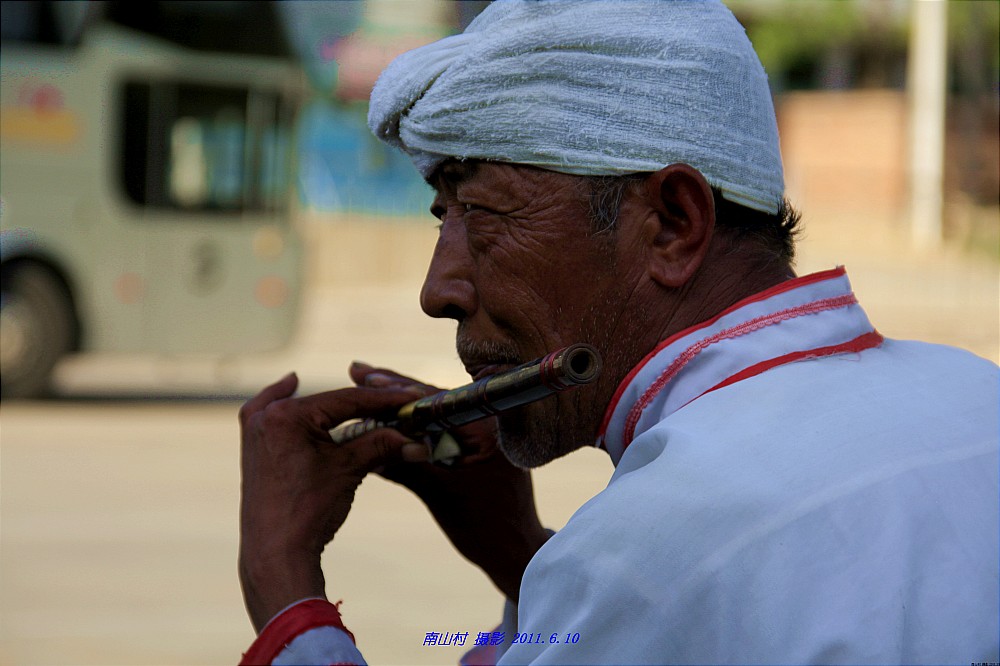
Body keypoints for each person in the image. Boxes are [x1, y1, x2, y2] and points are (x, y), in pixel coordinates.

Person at [237, 1, 1000, 664]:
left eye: (485, 216)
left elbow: (667, 592)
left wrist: (284, 584)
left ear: (673, 224)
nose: (439, 291)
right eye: (444, 217)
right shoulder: (978, 397)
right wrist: (520, 553)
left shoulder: (651, 550)